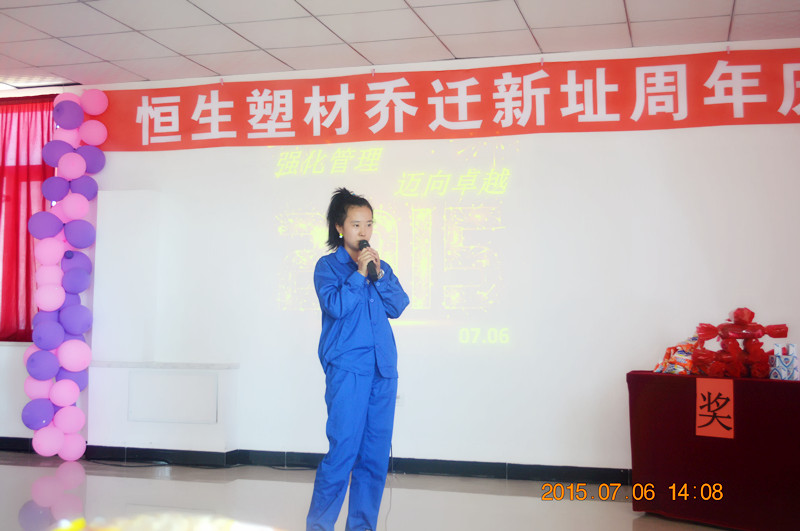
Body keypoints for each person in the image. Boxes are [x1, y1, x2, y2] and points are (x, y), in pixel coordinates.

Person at [306, 188, 410, 531]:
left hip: (383, 370)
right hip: (348, 370)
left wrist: (379, 275)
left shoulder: (380, 266)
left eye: (369, 224)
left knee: (374, 459)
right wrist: (359, 275)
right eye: (356, 224)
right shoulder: (327, 267)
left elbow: (398, 306)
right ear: (339, 228)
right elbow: (335, 306)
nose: (364, 231)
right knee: (342, 455)